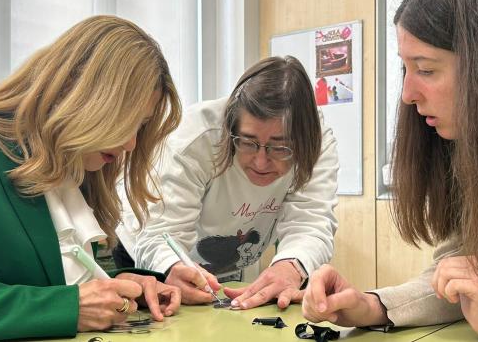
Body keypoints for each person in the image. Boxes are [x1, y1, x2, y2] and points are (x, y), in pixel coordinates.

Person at [301, 0, 478, 341]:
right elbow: (462, 269)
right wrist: (373, 306)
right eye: (405, 67)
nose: (407, 94)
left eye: (425, 69)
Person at [0, 15, 184, 340]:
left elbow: (54, 278)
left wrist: (130, 286)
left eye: (140, 126)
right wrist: (65, 308)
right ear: (82, 90)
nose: (130, 143)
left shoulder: (81, 168)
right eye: (126, 119)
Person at [115, 56, 339, 309]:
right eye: (247, 142)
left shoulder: (317, 140)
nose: (261, 162)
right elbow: (160, 236)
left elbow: (311, 221)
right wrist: (171, 267)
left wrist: (290, 266)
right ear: (231, 126)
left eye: (280, 147)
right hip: (151, 254)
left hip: (229, 260)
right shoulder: (193, 139)